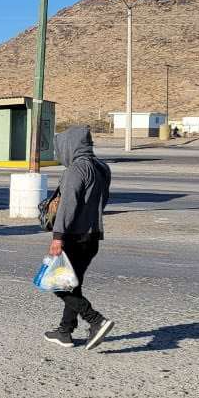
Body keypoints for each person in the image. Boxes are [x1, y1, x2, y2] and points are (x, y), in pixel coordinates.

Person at [44, 126, 115, 351]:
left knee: (59, 286)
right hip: (93, 236)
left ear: (70, 146)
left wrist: (58, 237)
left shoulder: (76, 169)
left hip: (74, 236)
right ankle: (65, 331)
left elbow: (68, 205)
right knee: (74, 285)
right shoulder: (102, 168)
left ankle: (96, 321)